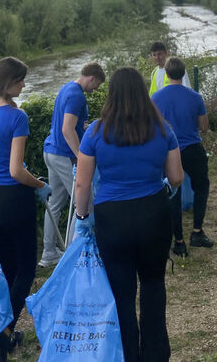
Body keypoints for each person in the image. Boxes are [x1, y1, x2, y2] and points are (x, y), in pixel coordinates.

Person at [74, 67, 184, 362]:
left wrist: (82, 219)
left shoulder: (95, 131)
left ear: (112, 94)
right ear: (142, 93)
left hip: (112, 220)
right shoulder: (163, 129)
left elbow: (83, 183)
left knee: (121, 294)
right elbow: (176, 177)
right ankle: (156, 354)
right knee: (152, 284)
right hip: (154, 214)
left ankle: (127, 356)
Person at [0, 57, 52, 362]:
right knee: (27, 267)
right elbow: (17, 170)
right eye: (21, 80)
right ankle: (2, 338)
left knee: (7, 270)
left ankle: (3, 335)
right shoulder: (19, 118)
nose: (24, 85)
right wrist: (39, 185)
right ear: (9, 82)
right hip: (15, 199)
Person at [38, 62, 105, 267]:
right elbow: (67, 130)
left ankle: (49, 253)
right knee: (83, 202)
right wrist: (81, 157)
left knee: (56, 204)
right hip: (63, 155)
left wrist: (82, 126)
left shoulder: (67, 87)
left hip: (50, 151)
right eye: (97, 85)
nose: (96, 90)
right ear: (92, 78)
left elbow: (68, 124)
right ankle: (72, 253)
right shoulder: (77, 96)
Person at [152, 57, 213, 257]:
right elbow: (204, 127)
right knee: (201, 186)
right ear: (183, 73)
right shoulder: (195, 97)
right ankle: (197, 232)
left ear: (167, 74)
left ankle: (178, 242)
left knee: (173, 195)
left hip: (168, 150)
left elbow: (152, 128)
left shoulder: (155, 99)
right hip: (192, 148)